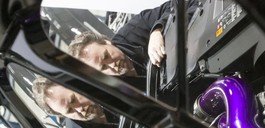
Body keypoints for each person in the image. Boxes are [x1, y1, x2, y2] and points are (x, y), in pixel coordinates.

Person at [68, 0, 200, 76]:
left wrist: (157, 30)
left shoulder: (132, 31)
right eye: (103, 68)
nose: (112, 65)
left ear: (107, 42)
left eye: (106, 56)